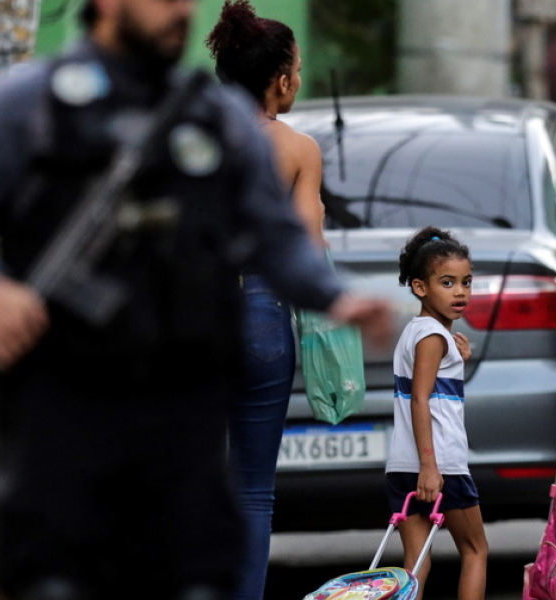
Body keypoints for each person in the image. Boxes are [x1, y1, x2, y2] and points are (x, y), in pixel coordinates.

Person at [0, 0, 390, 598]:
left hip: (181, 403)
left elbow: (277, 237)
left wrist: (334, 297)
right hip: (67, 397)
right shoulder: (26, 103)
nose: (180, 10)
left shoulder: (219, 119)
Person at [204, 4, 324, 599]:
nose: (297, 79)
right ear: (280, 81)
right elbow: (305, 252)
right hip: (260, 316)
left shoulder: (187, 135)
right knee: (251, 488)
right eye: (296, 69)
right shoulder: (297, 149)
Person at [388, 226, 488, 600]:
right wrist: (430, 466)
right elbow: (420, 399)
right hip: (439, 464)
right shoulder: (433, 337)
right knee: (476, 551)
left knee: (416, 561)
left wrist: (455, 358)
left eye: (466, 282)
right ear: (420, 288)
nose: (460, 291)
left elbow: (426, 386)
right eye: (447, 282)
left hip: (402, 464)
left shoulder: (417, 332)